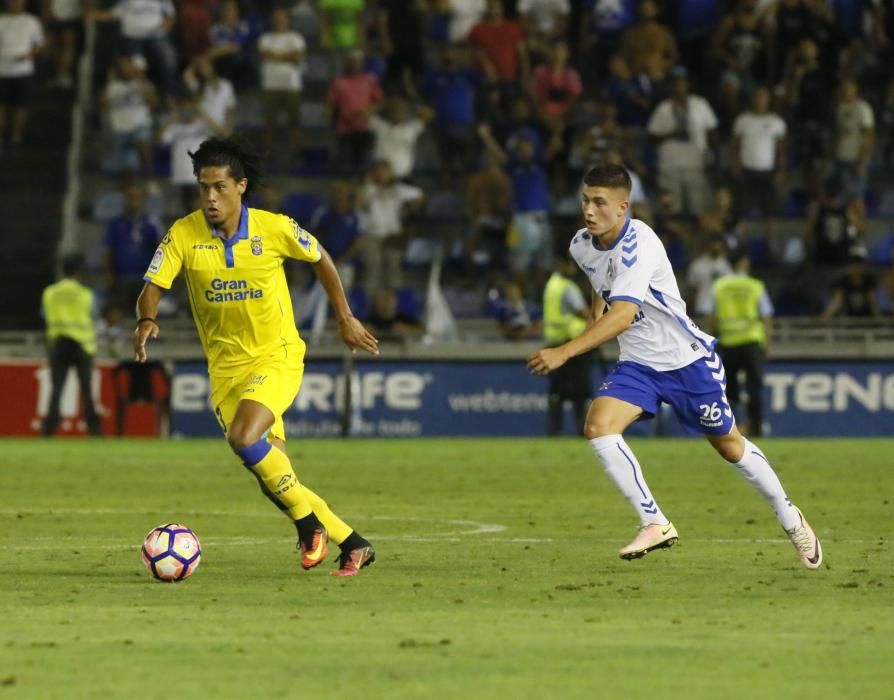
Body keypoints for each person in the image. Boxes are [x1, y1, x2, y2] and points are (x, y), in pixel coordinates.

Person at [526, 163, 822, 570]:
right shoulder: (581, 244)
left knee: (730, 446)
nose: (589, 210)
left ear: (623, 207)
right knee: (598, 426)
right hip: (638, 365)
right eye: (585, 200)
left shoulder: (640, 242)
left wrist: (565, 350)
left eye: (599, 202)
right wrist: (595, 315)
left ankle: (791, 518)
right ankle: (654, 521)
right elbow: (600, 284)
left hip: (686, 362)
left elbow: (625, 314)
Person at [134, 137, 379, 576]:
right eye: (204, 188)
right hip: (226, 372)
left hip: (276, 356)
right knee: (276, 478)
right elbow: (152, 286)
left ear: (241, 186)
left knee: (245, 437)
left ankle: (308, 527)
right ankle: (353, 543)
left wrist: (344, 316)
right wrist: (146, 319)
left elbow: (320, 256)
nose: (210, 197)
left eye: (220, 187)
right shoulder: (184, 234)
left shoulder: (274, 228)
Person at [710, 249, 773, 438]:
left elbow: (711, 316)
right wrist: (767, 342)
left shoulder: (719, 286)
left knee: (728, 390)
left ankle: (731, 428)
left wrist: (713, 339)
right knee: (754, 387)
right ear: (745, 264)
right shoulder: (755, 286)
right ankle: (756, 427)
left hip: (728, 342)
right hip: (751, 342)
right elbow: (766, 316)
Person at [41, 253, 102, 437]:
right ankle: (94, 430)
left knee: (57, 389)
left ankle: (48, 431)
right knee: (86, 389)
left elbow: (43, 316)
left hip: (59, 344)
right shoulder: (86, 294)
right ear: (77, 272)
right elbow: (95, 316)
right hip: (82, 345)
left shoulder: (50, 292)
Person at [542, 255, 591, 436]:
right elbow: (584, 313)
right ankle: (581, 431)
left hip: (554, 343)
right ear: (564, 264)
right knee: (580, 392)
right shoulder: (567, 287)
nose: (573, 269)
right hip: (573, 346)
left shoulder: (551, 285)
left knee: (557, 393)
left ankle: (554, 431)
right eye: (571, 265)